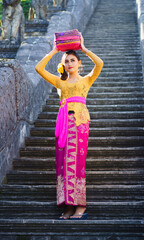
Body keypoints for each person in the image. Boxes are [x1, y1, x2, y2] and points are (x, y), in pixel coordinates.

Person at [35, 36, 103, 220]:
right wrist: (54, 51)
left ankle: (80, 205)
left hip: (79, 123)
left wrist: (84, 49)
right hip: (63, 125)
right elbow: (38, 68)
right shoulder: (60, 82)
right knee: (63, 165)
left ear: (79, 63)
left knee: (77, 164)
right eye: (66, 61)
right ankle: (68, 207)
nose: (70, 63)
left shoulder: (86, 80)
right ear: (63, 65)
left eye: (73, 60)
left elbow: (99, 63)